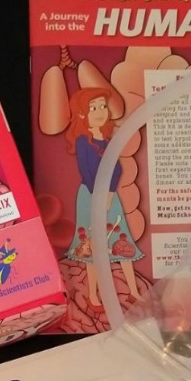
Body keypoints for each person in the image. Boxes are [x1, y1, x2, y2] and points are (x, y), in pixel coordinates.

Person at [64, 87, 143, 310]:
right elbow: (87, 172)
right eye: (93, 108)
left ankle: (134, 291)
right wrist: (100, 196)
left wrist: (109, 193)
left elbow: (116, 169)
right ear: (81, 113)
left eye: (102, 106)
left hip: (110, 194)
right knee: (92, 246)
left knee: (122, 242)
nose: (100, 112)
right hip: (90, 195)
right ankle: (93, 296)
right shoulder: (83, 141)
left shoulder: (106, 139)